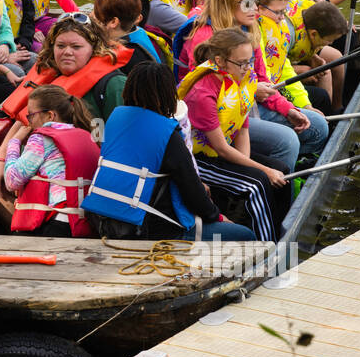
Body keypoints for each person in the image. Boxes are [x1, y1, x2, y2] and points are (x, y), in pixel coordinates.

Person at [82, 63, 255, 242]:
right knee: (245, 236)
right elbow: (192, 191)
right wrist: (218, 217)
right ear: (168, 94)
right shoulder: (167, 134)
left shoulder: (115, 119)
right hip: (150, 230)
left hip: (104, 221)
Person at [0, 14, 131, 217]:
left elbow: (120, 143)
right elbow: (23, 120)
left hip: (89, 177)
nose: (67, 52)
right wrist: (0, 160)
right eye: (60, 46)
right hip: (43, 168)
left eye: (76, 47)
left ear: (94, 48)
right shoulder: (51, 75)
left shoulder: (113, 86)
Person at [175, 0, 316, 171]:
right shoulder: (205, 36)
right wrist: (251, 89)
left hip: (243, 103)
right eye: (249, 3)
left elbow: (262, 79)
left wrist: (288, 109)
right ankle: (276, 184)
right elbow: (201, 92)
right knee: (288, 142)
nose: (256, 9)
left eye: (257, 2)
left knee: (317, 127)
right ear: (228, 3)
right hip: (216, 116)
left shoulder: (248, 30)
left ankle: (267, 167)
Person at [179, 28, 288, 241]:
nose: (248, 68)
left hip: (222, 150)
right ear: (220, 61)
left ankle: (284, 233)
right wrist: (262, 170)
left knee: (280, 171)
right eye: (242, 63)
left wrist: (247, 163)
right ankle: (268, 247)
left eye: (250, 61)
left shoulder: (242, 76)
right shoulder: (203, 92)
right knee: (256, 184)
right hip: (198, 159)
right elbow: (220, 147)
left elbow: (242, 124)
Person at [3, 85, 101, 238]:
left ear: (50, 116)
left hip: (55, 224)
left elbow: (11, 181)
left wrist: (14, 142)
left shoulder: (42, 139)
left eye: (31, 115)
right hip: (83, 224)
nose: (28, 122)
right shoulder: (85, 135)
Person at [253, 0, 331, 157]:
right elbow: (263, 80)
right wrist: (290, 108)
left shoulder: (276, 28)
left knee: (318, 111)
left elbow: (283, 67)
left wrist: (304, 104)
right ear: (258, 7)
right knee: (318, 129)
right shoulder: (256, 32)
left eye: (284, 12)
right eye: (278, 12)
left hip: (270, 95)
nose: (282, 18)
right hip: (256, 103)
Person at [288, 0, 352, 112]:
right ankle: (324, 117)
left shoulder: (309, 24)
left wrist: (312, 57)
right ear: (313, 34)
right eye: (329, 40)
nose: (331, 44)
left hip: (292, 58)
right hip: (276, 73)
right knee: (321, 95)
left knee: (324, 70)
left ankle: (336, 110)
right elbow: (273, 67)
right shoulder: (287, 35)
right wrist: (298, 71)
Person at [94, 0, 169, 70]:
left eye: (97, 19)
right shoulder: (138, 31)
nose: (95, 22)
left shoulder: (127, 55)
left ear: (113, 22)